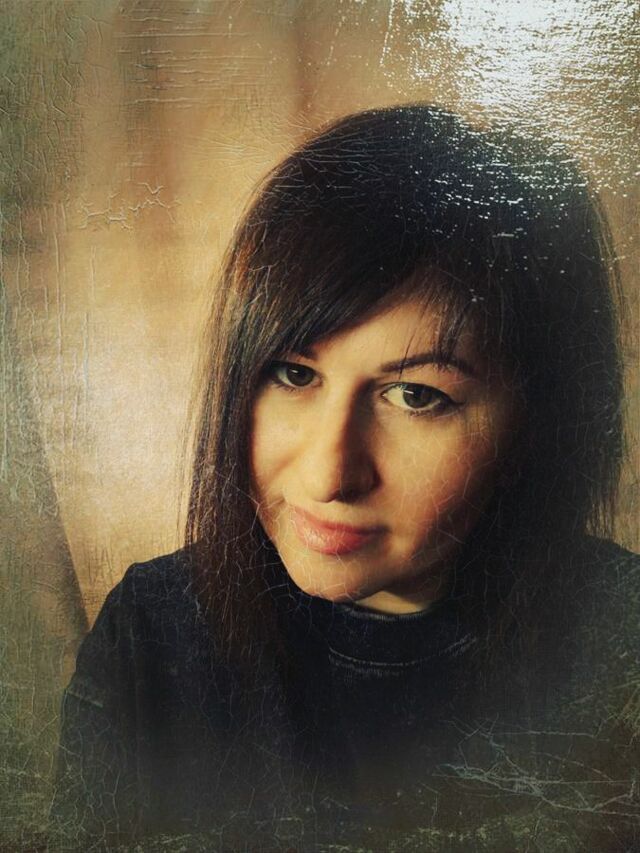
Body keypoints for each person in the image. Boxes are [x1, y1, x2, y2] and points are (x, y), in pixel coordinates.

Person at [50, 105, 638, 851]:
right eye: (294, 374)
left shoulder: (620, 641)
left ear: (534, 423)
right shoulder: (153, 634)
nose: (330, 473)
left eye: (416, 396)